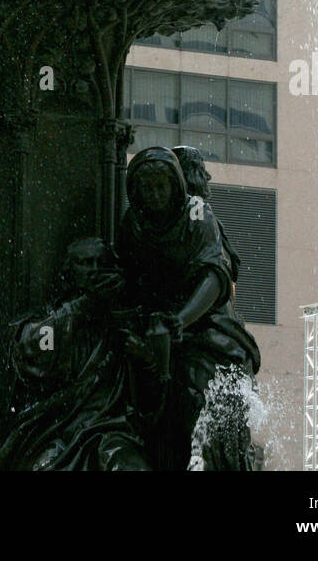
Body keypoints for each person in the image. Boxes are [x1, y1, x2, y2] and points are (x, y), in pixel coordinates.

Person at [117, 146, 260, 470]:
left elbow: (215, 276)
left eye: (161, 187)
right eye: (147, 188)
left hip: (205, 327)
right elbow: (129, 278)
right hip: (155, 327)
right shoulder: (133, 225)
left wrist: (180, 321)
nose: (154, 195)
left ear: (176, 186)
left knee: (194, 397)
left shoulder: (197, 213)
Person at [0, 237, 150, 471]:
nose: (95, 270)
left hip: (111, 431)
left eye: (102, 263)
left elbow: (150, 392)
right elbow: (32, 349)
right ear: (69, 272)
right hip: (57, 429)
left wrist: (146, 357)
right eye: (86, 263)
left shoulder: (124, 320)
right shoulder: (50, 317)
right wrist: (84, 306)